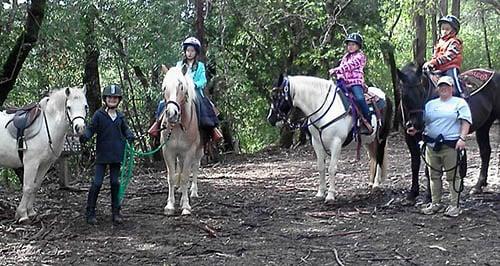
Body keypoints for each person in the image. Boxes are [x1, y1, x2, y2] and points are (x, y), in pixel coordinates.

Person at [80, 84, 135, 225]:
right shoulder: (99, 115)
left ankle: (116, 212)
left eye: (115, 97)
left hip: (116, 155)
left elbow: (126, 130)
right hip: (102, 155)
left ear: (118, 100)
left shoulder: (120, 116)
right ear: (105, 99)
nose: (112, 100)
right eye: (110, 97)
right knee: (97, 183)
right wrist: (85, 136)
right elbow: (91, 128)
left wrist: (130, 136)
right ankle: (90, 212)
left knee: (115, 183)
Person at [420, 76, 471, 217]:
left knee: (453, 175)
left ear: (452, 88)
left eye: (447, 86)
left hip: (450, 144)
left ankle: (455, 205)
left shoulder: (459, 103)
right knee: (433, 175)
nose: (444, 88)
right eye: (441, 86)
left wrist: (462, 138)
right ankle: (436, 203)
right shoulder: (430, 104)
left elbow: (466, 121)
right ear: (437, 88)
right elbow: (424, 121)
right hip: (431, 145)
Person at [156, 37, 222, 142]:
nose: (189, 53)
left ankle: (211, 129)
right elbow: (175, 78)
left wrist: (194, 85)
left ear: (196, 52)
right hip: (180, 91)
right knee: (163, 103)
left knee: (205, 104)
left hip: (195, 92)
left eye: (192, 51)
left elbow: (203, 80)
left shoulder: (200, 66)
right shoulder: (179, 65)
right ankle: (157, 125)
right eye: (187, 51)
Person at [329, 33, 373, 134]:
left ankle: (368, 120)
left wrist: (336, 70)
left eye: (353, 44)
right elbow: (343, 67)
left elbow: (349, 66)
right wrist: (339, 77)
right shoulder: (345, 57)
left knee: (360, 98)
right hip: (344, 83)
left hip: (355, 83)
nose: (350, 47)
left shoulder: (360, 56)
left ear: (358, 46)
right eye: (349, 45)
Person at [423, 15, 465, 97]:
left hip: (450, 67)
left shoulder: (454, 42)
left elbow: (448, 56)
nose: (444, 31)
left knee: (453, 81)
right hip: (439, 69)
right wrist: (430, 64)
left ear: (453, 31)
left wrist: (434, 62)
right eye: (443, 29)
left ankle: (461, 94)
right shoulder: (440, 42)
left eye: (447, 29)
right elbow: (435, 56)